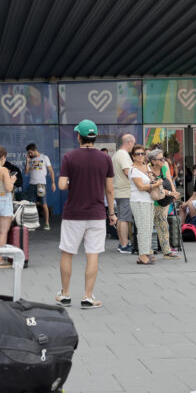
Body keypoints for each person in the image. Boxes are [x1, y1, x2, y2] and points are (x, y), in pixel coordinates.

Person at [57, 120, 114, 309]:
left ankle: (65, 294)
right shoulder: (105, 159)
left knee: (67, 253)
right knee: (93, 254)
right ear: (95, 137)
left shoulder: (69, 157)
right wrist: (112, 213)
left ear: (78, 136)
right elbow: (110, 190)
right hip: (97, 214)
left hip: (73, 213)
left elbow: (61, 185)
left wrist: (73, 183)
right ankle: (88, 297)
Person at [128, 144, 160, 265]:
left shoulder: (146, 167)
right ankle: (142, 255)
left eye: (142, 153)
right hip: (139, 201)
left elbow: (150, 181)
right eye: (138, 154)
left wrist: (154, 180)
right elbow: (141, 187)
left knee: (148, 228)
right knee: (142, 228)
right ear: (133, 156)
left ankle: (146, 252)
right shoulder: (133, 169)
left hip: (148, 200)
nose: (140, 156)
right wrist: (155, 185)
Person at [149, 149, 179, 259]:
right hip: (151, 201)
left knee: (163, 225)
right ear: (153, 161)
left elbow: (169, 180)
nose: (164, 160)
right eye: (161, 159)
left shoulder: (164, 166)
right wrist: (171, 193)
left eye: (164, 158)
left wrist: (173, 192)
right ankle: (149, 252)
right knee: (149, 228)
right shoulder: (148, 170)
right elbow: (158, 187)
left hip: (164, 201)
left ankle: (167, 251)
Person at [112, 134, 136, 252]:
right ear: (129, 142)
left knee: (121, 218)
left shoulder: (117, 154)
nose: (133, 146)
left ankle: (122, 243)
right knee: (125, 219)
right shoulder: (124, 154)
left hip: (118, 191)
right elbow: (128, 172)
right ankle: (124, 245)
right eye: (133, 143)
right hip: (125, 191)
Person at [24, 143, 54, 231]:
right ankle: (33, 223)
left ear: (35, 150)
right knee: (31, 205)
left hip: (41, 184)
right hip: (32, 184)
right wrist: (27, 161)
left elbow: (51, 171)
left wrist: (53, 183)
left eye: (30, 152)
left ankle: (47, 223)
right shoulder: (31, 159)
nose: (29, 154)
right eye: (28, 153)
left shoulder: (44, 157)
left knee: (44, 203)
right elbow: (26, 172)